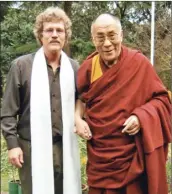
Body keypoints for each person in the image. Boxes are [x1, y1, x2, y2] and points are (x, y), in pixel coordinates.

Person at [75, 13, 172, 194]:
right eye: (100, 37)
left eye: (112, 35)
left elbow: (163, 100)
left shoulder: (138, 63)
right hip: (101, 156)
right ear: (93, 39)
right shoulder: (89, 67)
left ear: (121, 35)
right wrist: (78, 119)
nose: (107, 43)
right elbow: (81, 98)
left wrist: (140, 117)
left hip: (131, 155)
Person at [1, 7, 81, 194]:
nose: (54, 35)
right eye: (49, 30)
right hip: (31, 149)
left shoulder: (75, 68)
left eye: (59, 30)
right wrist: (13, 146)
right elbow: (8, 112)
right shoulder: (21, 66)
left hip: (65, 148)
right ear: (40, 35)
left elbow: (83, 101)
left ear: (65, 36)